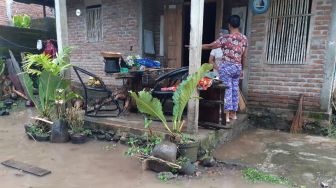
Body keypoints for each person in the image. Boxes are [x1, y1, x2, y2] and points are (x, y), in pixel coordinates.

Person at [202, 15, 248, 123]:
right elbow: (244, 56)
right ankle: (234, 115)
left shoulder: (226, 38)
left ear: (229, 25)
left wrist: (196, 46)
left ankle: (226, 116)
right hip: (237, 67)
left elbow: (210, 46)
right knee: (234, 89)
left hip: (226, 67)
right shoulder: (244, 38)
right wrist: (242, 69)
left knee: (227, 90)